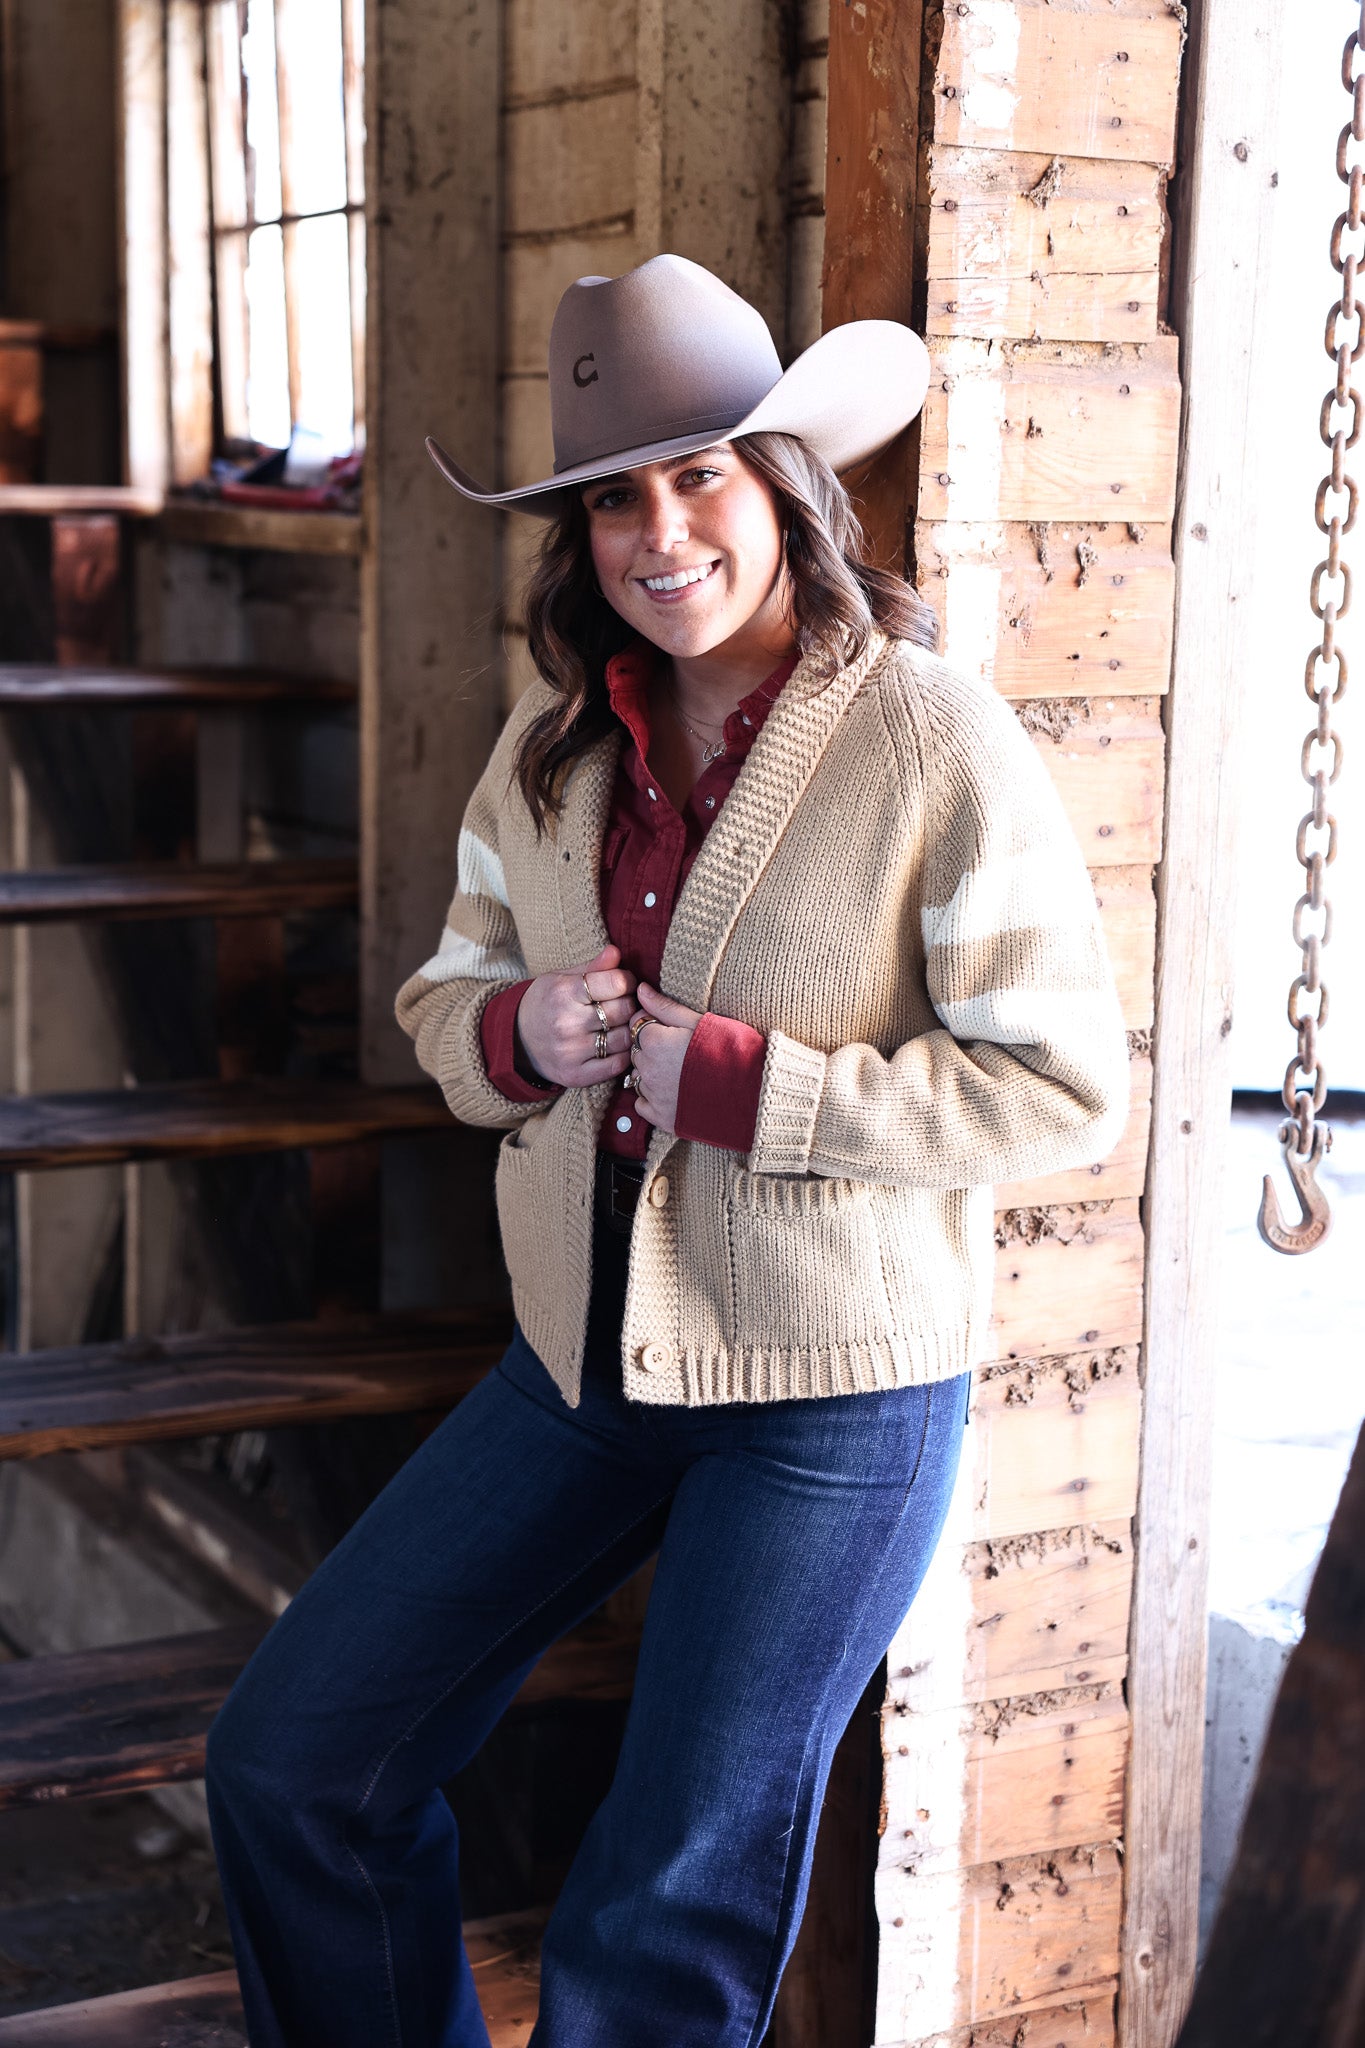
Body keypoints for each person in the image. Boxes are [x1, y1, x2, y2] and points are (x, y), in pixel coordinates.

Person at [204, 253, 1131, 2048]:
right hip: (576, 1359)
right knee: (295, 1762)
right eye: (614, 495)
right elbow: (445, 995)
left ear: (785, 484)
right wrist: (510, 1032)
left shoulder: (936, 740)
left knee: (661, 1904)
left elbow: (1057, 1087)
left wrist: (757, 1091)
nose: (658, 529)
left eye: (699, 473)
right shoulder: (549, 749)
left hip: (828, 1404)